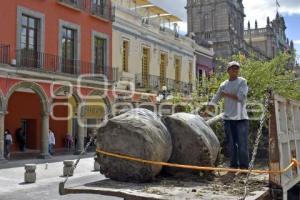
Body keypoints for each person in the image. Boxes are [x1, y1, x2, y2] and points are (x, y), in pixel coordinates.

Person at [208, 61, 249, 169]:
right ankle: (233, 166)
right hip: (228, 119)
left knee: (242, 145)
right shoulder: (223, 84)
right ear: (228, 71)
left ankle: (244, 167)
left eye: (237, 68)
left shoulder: (242, 82)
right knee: (231, 145)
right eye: (233, 68)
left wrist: (226, 94)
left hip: (241, 118)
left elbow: (241, 97)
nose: (235, 70)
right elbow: (216, 97)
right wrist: (208, 108)